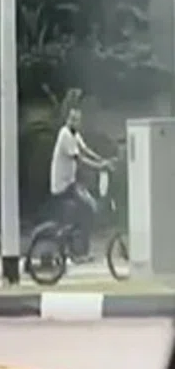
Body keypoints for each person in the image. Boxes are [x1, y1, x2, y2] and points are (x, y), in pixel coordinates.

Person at [49, 105, 111, 256]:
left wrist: (103, 160)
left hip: (70, 183)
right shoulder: (65, 135)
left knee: (87, 204)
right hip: (62, 186)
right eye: (72, 119)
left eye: (77, 119)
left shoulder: (74, 134)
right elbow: (80, 159)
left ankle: (75, 241)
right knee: (89, 208)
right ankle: (81, 250)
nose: (75, 122)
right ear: (67, 119)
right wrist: (99, 166)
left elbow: (85, 150)